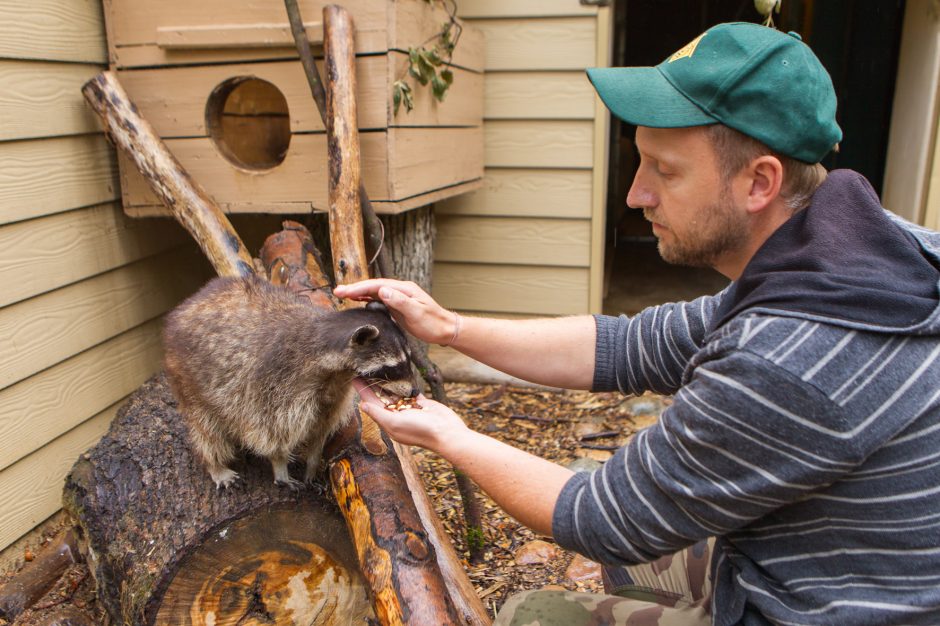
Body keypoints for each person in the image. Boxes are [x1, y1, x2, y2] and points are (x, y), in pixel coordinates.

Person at [334, 22, 940, 625]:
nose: (635, 194)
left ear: (760, 181)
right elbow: (631, 346)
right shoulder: (862, 256)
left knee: (536, 610)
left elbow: (602, 518)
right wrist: (449, 326)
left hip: (821, 607)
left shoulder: (790, 355)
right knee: (630, 547)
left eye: (664, 170)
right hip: (822, 554)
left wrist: (448, 435)